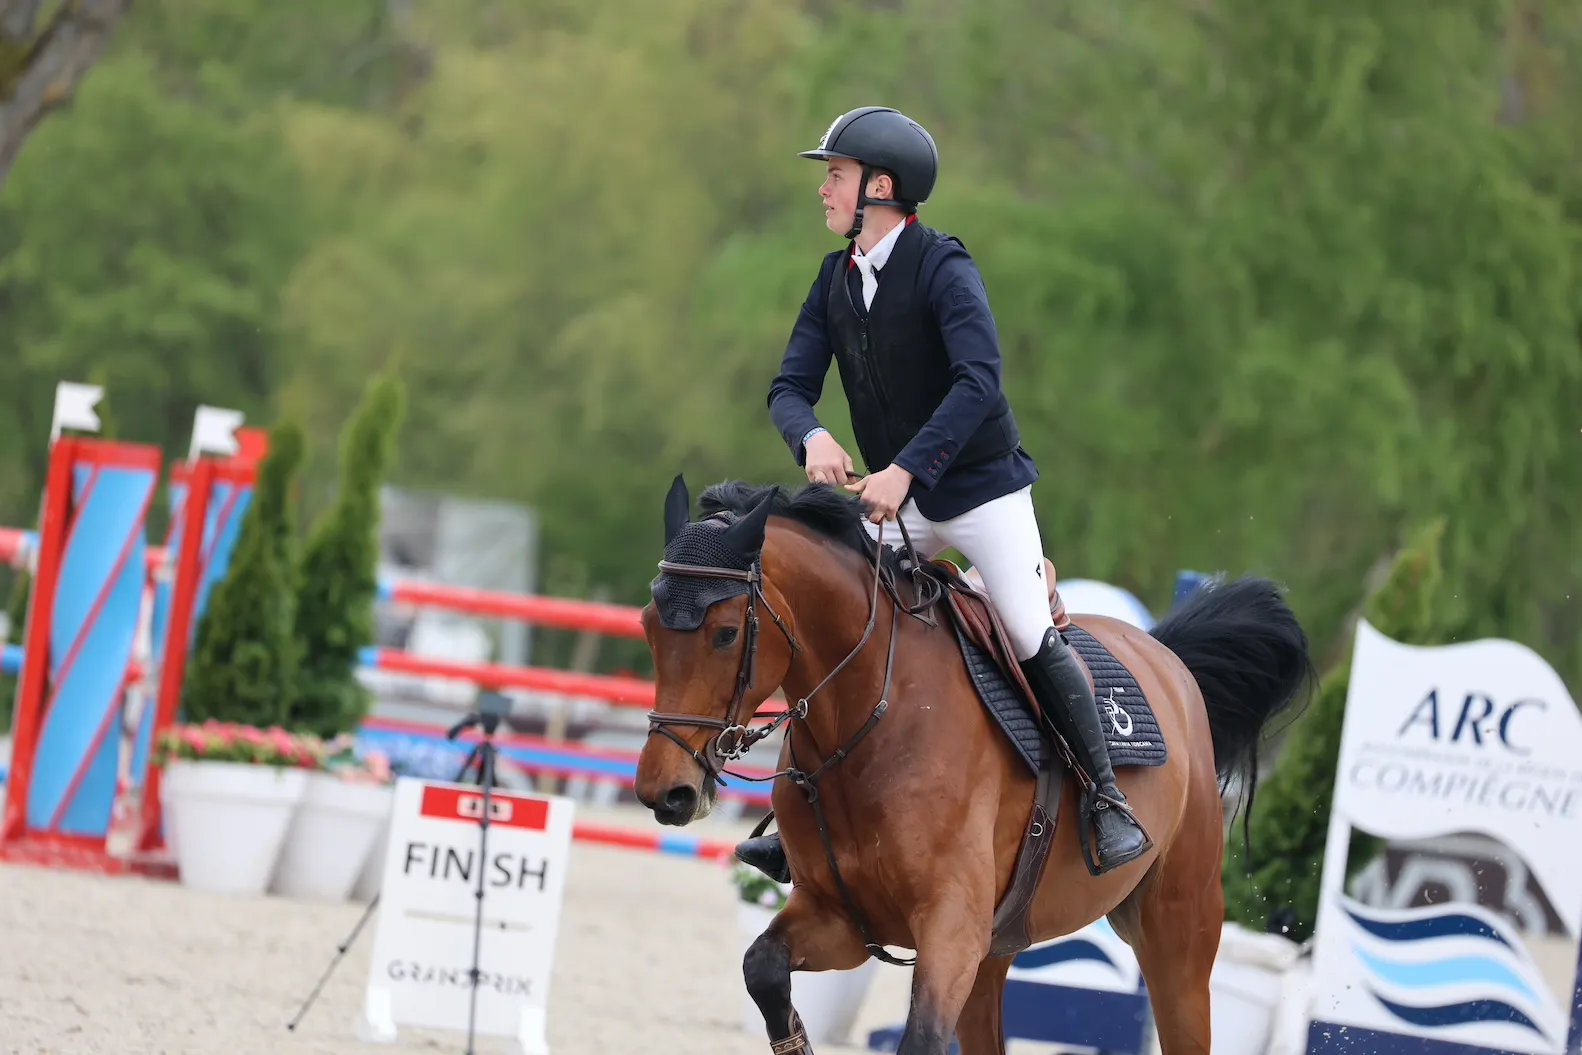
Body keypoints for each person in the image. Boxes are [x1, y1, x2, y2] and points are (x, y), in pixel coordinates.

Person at [733, 106, 1152, 883]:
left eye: (836, 175)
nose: (823, 189)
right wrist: (813, 438)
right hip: (900, 500)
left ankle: (1105, 799)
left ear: (879, 188)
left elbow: (978, 382)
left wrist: (906, 470)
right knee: (839, 626)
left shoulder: (943, 269)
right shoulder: (835, 278)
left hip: (980, 492)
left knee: (1028, 631)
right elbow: (789, 385)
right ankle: (793, 814)